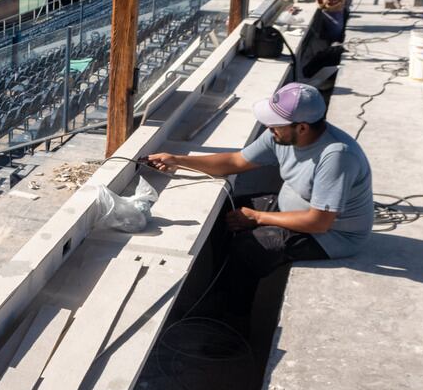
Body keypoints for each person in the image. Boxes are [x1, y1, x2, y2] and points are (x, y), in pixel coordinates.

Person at [144, 82, 373, 316]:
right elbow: (236, 162)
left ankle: (228, 326)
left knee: (250, 248)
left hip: (332, 235)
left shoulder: (336, 156)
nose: (269, 126)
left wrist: (258, 217)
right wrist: (178, 160)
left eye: (275, 124)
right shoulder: (282, 135)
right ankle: (218, 288)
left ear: (302, 127)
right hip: (294, 208)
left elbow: (319, 222)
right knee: (226, 212)